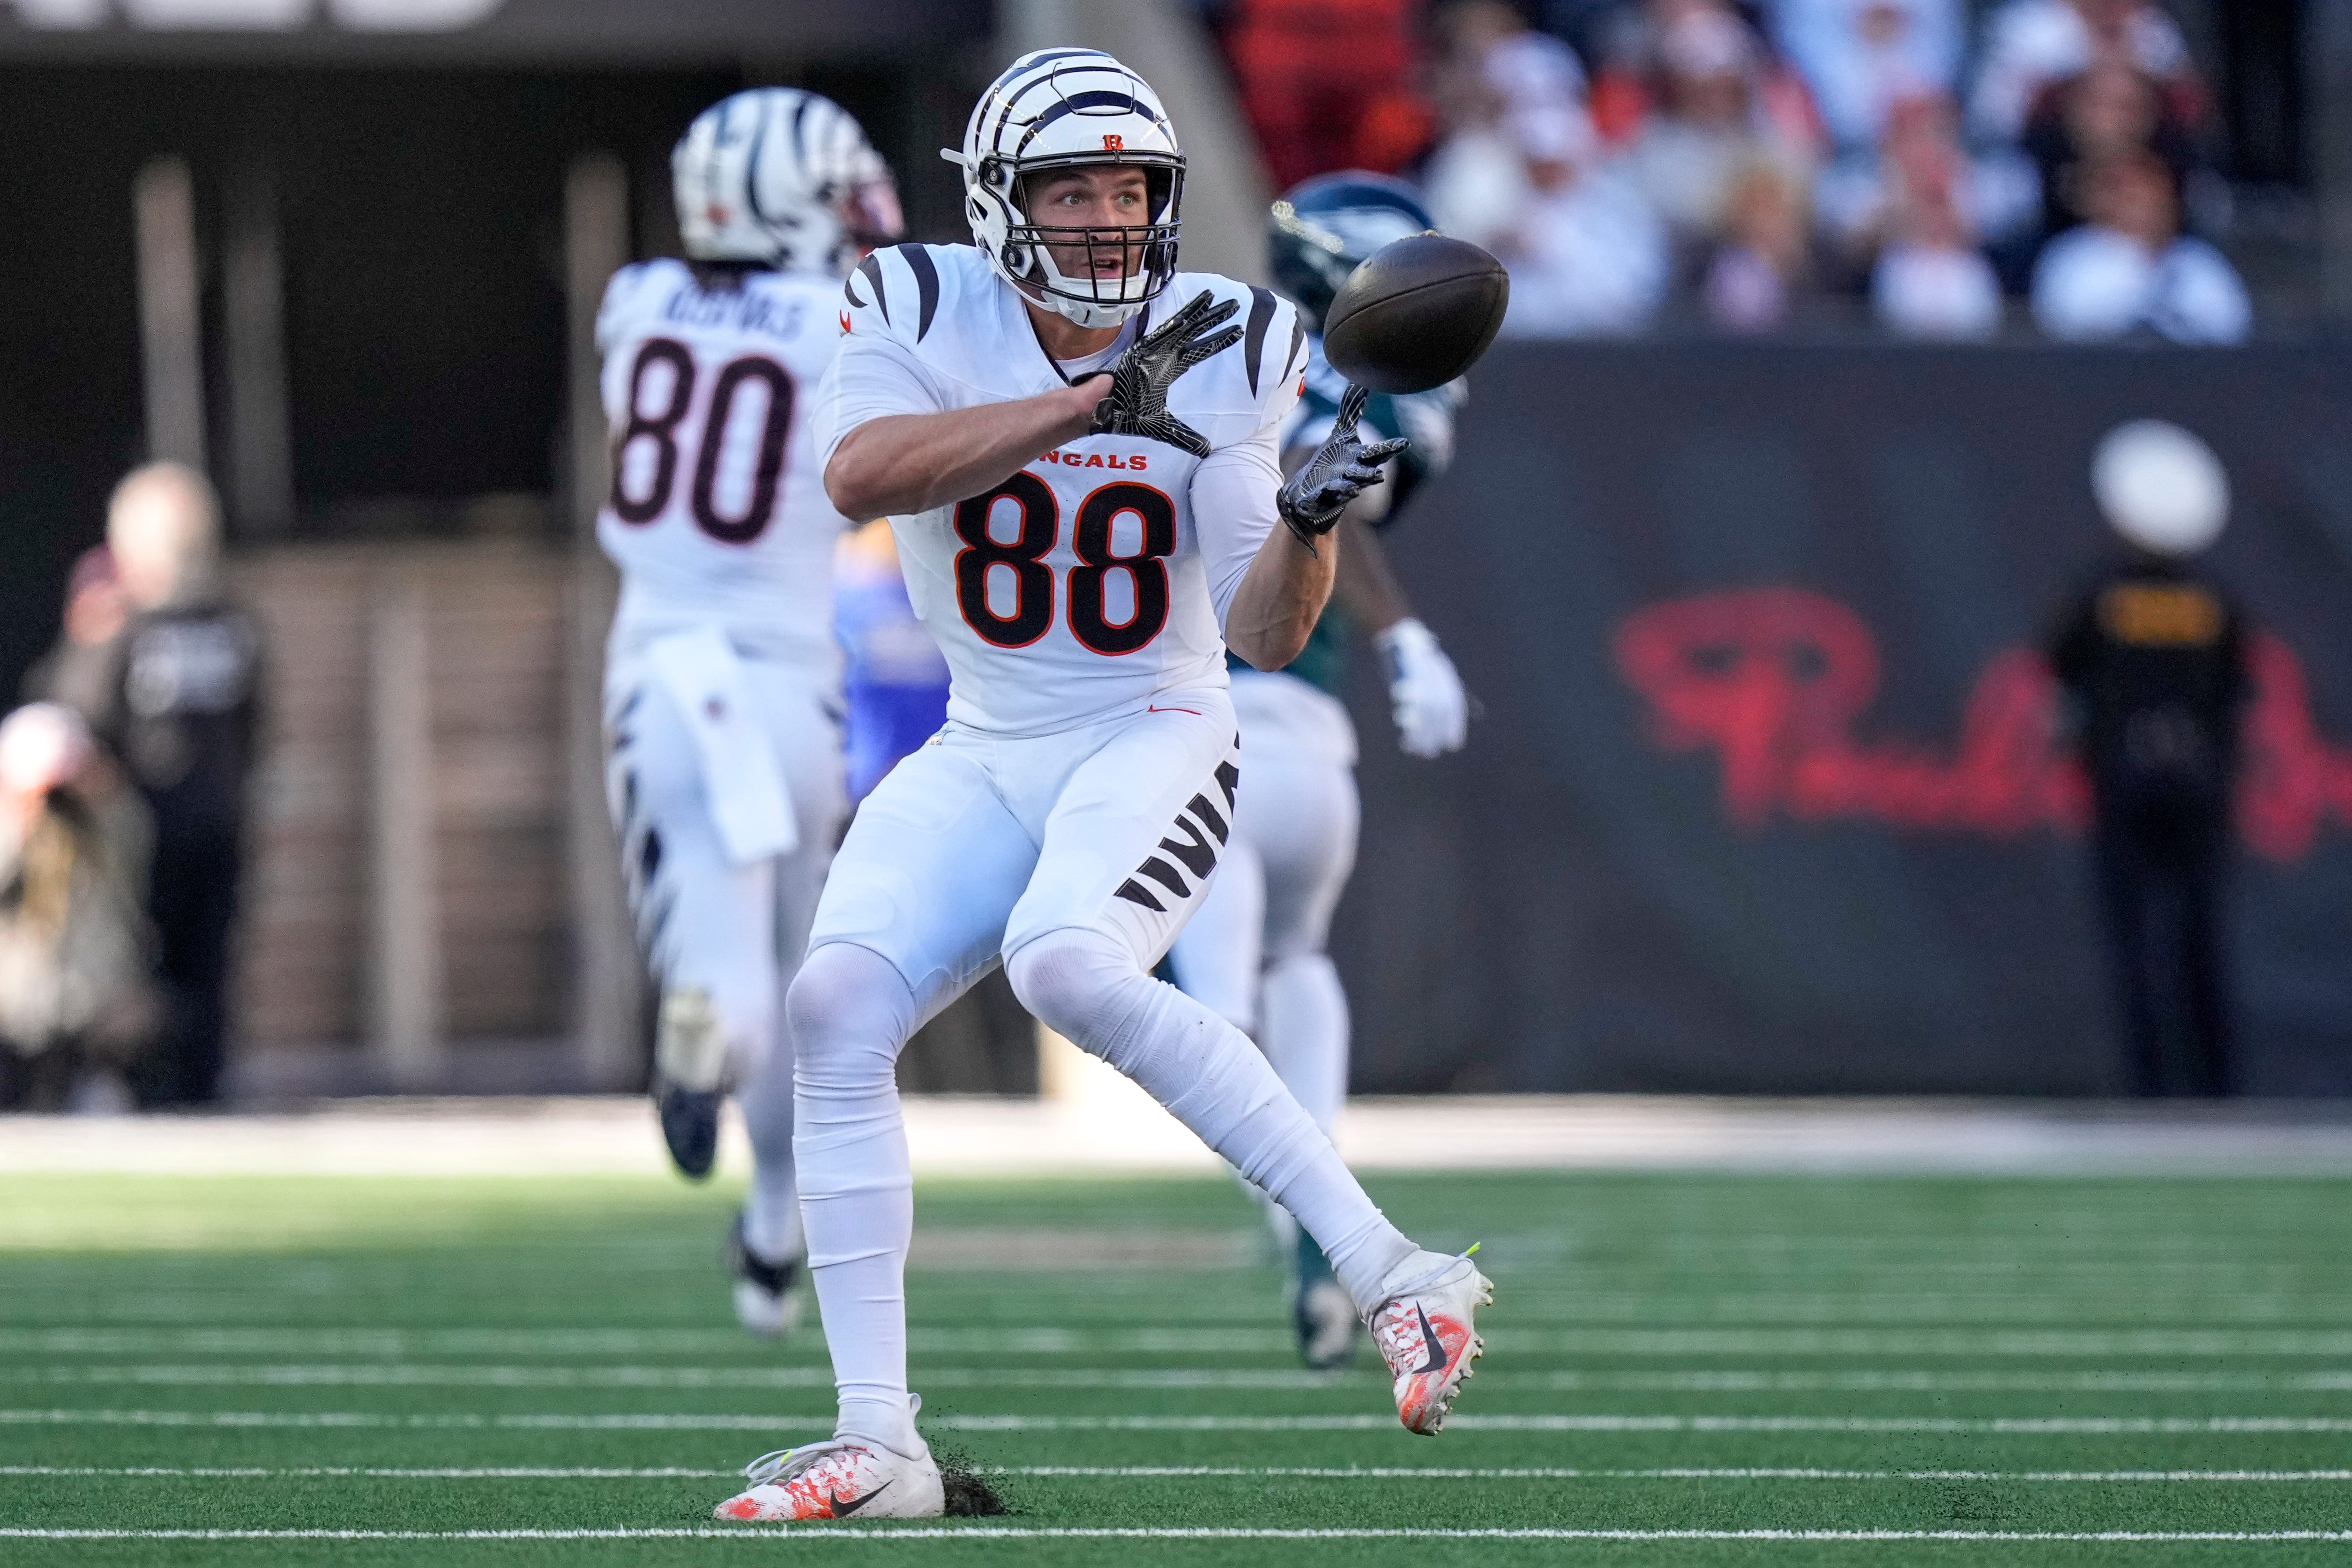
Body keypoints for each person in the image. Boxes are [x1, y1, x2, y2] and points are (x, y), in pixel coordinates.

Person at [710, 50, 1495, 1524]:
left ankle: (1396, 1268)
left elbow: (1261, 631)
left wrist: (1310, 526)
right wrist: (1084, 405)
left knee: (1067, 960)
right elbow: (865, 477)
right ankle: (882, 1441)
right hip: (989, 731)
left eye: (1129, 188)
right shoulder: (912, 299)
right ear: (999, 201)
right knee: (832, 1007)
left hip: (1155, 720)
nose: (1102, 219)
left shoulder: (1227, 335)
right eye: (1068, 188)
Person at [595, 89, 901, 1335]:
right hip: (789, 681)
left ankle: (699, 1039)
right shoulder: (845, 323)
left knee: (718, 968)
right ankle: (774, 1229)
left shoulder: (630, 304)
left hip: (664, 669)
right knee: (795, 979)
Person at [1166, 172, 1470, 1372]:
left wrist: (1407, 639)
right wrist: (1406, 646)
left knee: (1200, 1024)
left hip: (1210, 743)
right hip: (1316, 764)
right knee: (1297, 967)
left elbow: (1319, 504)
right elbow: (1337, 495)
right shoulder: (1291, 376)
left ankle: (1312, 1243)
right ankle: (1322, 1250)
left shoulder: (1248, 374)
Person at [28, 464, 261, 1107]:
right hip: (205, 825)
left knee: (157, 971)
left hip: (151, 835)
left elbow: (75, 717)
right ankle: (182, 1088)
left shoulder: (129, 628)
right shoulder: (233, 623)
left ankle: (165, 1088)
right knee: (191, 970)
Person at [2048, 420, 2245, 1097]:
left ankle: (2152, 1084)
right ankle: (2213, 1081)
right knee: (2197, 937)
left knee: (2136, 937)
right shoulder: (2210, 602)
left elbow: (2056, 667)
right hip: (2198, 783)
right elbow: (2233, 691)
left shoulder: (2106, 598)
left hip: (2124, 783)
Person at [0, 702, 158, 1111]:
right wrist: (20, 817)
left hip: (91, 1010)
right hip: (21, 1015)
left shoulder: (112, 833)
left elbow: (130, 840)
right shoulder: (13, 827)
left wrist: (97, 793)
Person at [2030, 149, 2249, 343]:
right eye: (2135, 197)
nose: (2148, 207)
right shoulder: (2072, 256)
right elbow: (2061, 325)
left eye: (2157, 195)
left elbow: (2233, 327)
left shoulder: (2197, 259)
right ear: (2105, 201)